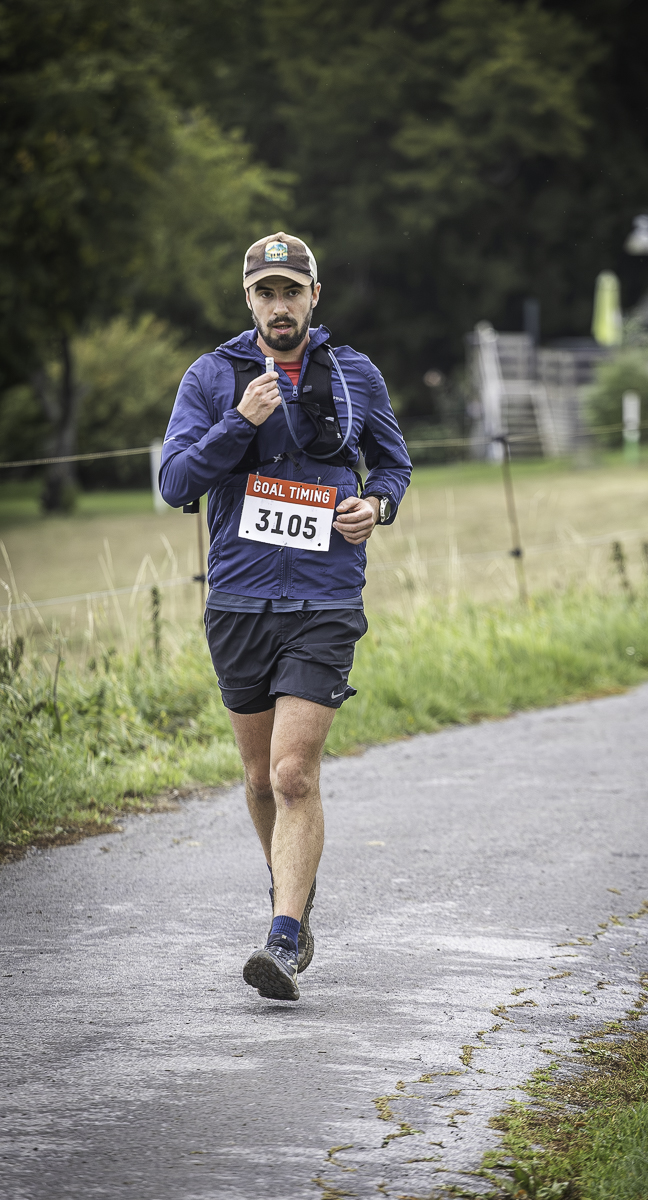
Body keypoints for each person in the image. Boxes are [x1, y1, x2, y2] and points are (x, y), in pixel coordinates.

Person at [160, 232, 411, 1001]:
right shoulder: (211, 376)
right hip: (239, 601)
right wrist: (239, 421)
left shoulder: (355, 372)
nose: (279, 305)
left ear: (313, 296)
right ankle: (292, 898)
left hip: (325, 598)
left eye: (291, 291)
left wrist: (377, 504)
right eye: (266, 293)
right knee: (258, 779)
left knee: (293, 772)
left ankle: (282, 935)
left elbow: (393, 462)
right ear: (249, 300)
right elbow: (175, 483)